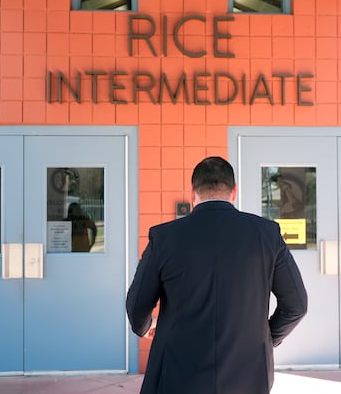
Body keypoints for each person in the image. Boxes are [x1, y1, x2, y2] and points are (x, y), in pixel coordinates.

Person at [126, 156, 308, 394]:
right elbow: (296, 305)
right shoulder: (267, 235)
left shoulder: (164, 238)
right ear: (234, 191)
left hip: (178, 373)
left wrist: (147, 326)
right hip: (247, 373)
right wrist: (261, 339)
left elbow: (136, 307)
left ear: (193, 193)